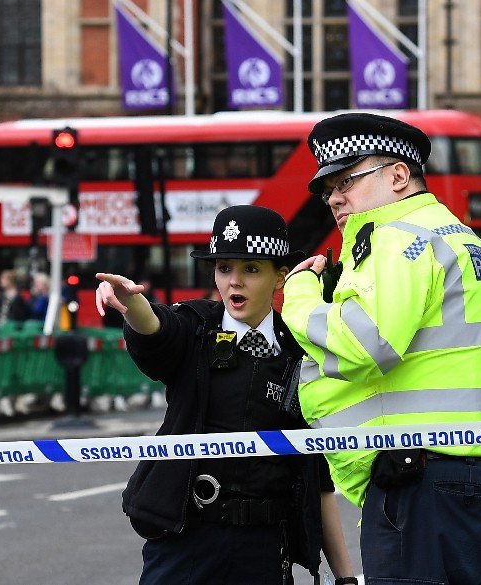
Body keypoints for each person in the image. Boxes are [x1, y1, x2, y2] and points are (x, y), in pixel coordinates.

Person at [282, 113, 481, 584]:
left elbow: (360, 344)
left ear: (398, 176)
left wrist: (299, 293)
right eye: (328, 191)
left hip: (432, 490)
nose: (335, 198)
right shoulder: (471, 244)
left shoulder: (396, 237)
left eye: (347, 180)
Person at [95, 204, 355, 585]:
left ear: (280, 277)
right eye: (224, 268)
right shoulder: (195, 327)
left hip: (264, 551)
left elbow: (318, 481)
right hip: (186, 543)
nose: (235, 282)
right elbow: (157, 329)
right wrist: (132, 303)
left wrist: (345, 578)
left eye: (251, 269)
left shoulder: (300, 351)